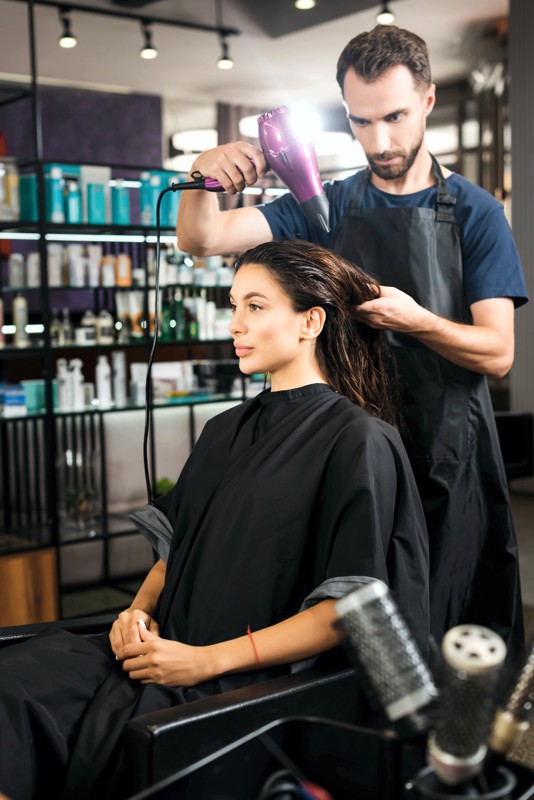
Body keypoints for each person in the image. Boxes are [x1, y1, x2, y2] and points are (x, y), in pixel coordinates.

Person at [0, 240, 429, 800]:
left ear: (311, 321)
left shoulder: (359, 441)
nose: (234, 325)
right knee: (12, 683)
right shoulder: (223, 429)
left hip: (239, 676)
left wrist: (203, 662)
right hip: (161, 650)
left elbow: (348, 610)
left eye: (254, 306)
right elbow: (175, 549)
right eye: (232, 306)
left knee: (112, 747)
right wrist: (135, 612)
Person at [176, 25, 529, 666]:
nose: (379, 141)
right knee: (353, 628)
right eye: (361, 122)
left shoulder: (476, 214)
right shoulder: (324, 208)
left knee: (445, 632)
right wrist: (203, 175)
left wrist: (415, 319)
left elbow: (498, 351)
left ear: (425, 99)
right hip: (347, 456)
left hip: (447, 457)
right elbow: (204, 239)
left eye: (393, 117)